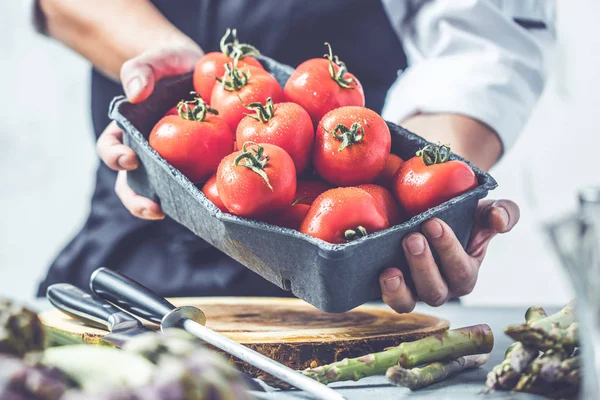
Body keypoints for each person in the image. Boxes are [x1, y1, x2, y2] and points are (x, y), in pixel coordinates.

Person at [33, 0, 553, 313]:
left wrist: (414, 202)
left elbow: (485, 46)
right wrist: (169, 88)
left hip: (356, 279)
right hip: (133, 252)